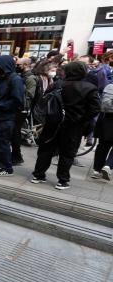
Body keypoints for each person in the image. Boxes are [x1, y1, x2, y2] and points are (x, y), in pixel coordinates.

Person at [31, 61, 101, 190]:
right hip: (73, 126)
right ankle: (62, 180)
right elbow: (95, 109)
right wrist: (82, 119)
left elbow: (44, 101)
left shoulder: (57, 84)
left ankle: (38, 175)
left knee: (46, 149)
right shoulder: (89, 88)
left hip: (52, 123)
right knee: (67, 153)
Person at [12, 57, 37, 165]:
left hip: (22, 109)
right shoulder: (22, 76)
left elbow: (30, 95)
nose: (17, 66)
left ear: (25, 65)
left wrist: (18, 88)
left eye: (19, 65)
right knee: (14, 133)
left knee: (15, 133)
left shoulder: (30, 78)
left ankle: (17, 157)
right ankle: (16, 156)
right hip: (18, 107)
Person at [92, 82, 113, 180]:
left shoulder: (109, 86)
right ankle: (108, 165)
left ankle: (96, 170)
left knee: (102, 145)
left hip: (105, 119)